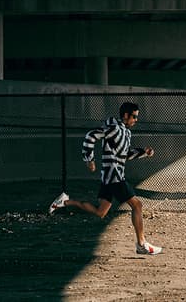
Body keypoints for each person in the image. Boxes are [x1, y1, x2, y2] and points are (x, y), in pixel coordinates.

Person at [49, 101, 162, 255]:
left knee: (100, 212)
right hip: (114, 176)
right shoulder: (114, 128)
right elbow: (90, 136)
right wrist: (89, 159)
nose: (136, 120)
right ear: (126, 115)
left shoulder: (126, 133)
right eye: (134, 116)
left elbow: (125, 154)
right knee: (137, 205)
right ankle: (141, 244)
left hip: (109, 178)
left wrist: (143, 152)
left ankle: (65, 201)